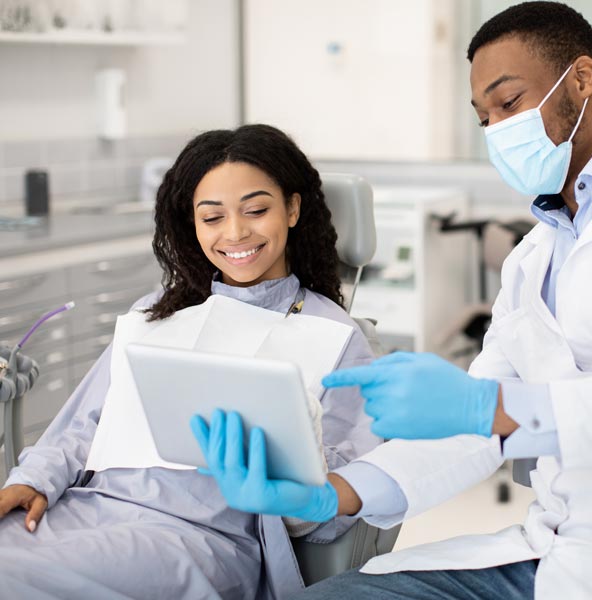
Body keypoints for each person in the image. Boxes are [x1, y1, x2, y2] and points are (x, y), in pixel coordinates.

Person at [196, 3, 592, 599]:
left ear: (582, 80)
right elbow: (473, 436)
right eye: (484, 118)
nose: (496, 131)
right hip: (550, 552)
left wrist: (492, 406)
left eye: (508, 104)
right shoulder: (533, 258)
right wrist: (334, 493)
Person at [0, 124, 380, 599]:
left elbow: (334, 508)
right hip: (85, 511)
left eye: (256, 210)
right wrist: (33, 480)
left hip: (196, 538)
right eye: (212, 217)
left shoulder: (336, 337)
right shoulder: (157, 311)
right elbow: (84, 426)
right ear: (192, 224)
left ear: (293, 209)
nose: (235, 232)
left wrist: (293, 454)